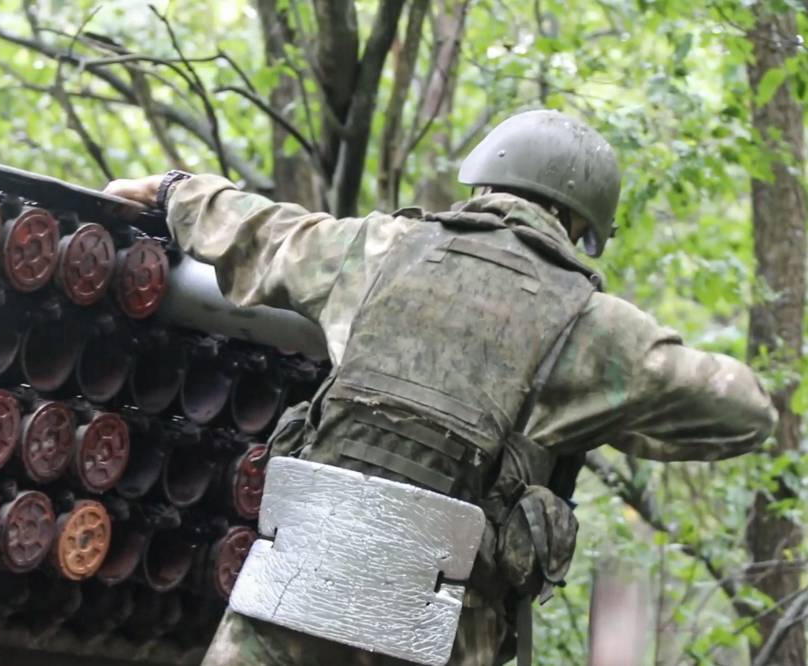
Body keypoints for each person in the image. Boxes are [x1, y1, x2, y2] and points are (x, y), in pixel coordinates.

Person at [105, 109, 777, 666]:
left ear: (484, 179)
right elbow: (746, 413)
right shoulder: (595, 328)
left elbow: (264, 230)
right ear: (581, 225)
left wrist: (174, 190)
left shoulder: (379, 249)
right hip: (437, 631)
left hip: (295, 591)